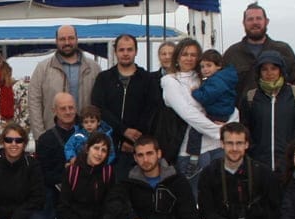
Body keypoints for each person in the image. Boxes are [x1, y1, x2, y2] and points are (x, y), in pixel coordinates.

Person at [160, 38, 235, 196]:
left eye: (193, 55)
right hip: (191, 151)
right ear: (177, 57)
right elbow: (188, 113)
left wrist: (231, 126)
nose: (189, 58)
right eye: (185, 54)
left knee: (220, 196)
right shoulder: (170, 81)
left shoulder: (207, 78)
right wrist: (218, 131)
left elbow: (229, 103)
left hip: (217, 147)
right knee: (194, 198)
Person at [91, 33, 159, 179]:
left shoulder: (147, 79)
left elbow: (151, 110)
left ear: (136, 51)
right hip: (108, 147)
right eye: (122, 50)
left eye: (129, 49)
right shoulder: (104, 79)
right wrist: (123, 132)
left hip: (139, 150)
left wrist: (133, 140)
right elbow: (99, 108)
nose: (126, 53)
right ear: (115, 52)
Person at [239, 50, 295, 172]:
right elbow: (245, 127)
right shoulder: (250, 97)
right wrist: (252, 150)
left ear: (281, 70)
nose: (269, 73)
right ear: (259, 72)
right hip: (259, 163)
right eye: (264, 69)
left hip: (289, 163)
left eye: (273, 68)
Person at [27, 24, 100, 137]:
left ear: (77, 39)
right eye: (62, 39)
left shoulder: (94, 68)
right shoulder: (42, 69)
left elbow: (100, 105)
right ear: (56, 41)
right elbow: (34, 103)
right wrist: (40, 136)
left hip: (86, 136)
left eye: (70, 38)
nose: (67, 42)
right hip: (53, 136)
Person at [223, 2, 295, 100]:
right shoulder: (232, 54)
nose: (255, 22)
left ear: (266, 21)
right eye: (250, 19)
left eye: (258, 18)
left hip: (277, 108)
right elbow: (222, 88)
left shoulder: (283, 50)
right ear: (243, 23)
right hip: (243, 109)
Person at [35, 92, 78, 219]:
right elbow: (42, 174)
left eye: (71, 107)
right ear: (54, 110)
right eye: (63, 108)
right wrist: (66, 174)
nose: (68, 112)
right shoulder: (46, 139)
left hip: (82, 189)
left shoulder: (87, 134)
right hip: (55, 189)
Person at [191, 49, 238, 124]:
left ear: (218, 66)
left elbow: (206, 97)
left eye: (209, 65)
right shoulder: (222, 78)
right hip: (222, 112)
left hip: (217, 114)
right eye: (202, 67)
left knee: (197, 129)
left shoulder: (216, 81)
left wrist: (195, 92)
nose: (205, 69)